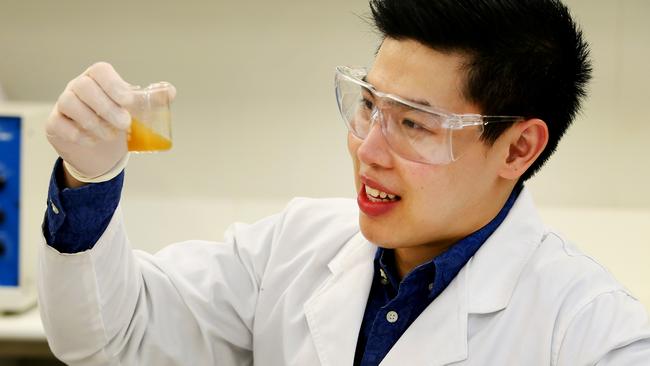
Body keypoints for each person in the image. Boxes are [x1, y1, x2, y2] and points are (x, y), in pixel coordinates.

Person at [38, 0, 650, 365]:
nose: (368, 148)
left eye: (413, 124)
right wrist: (90, 177)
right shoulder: (296, 248)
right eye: (367, 105)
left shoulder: (595, 338)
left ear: (517, 147)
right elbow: (110, 336)